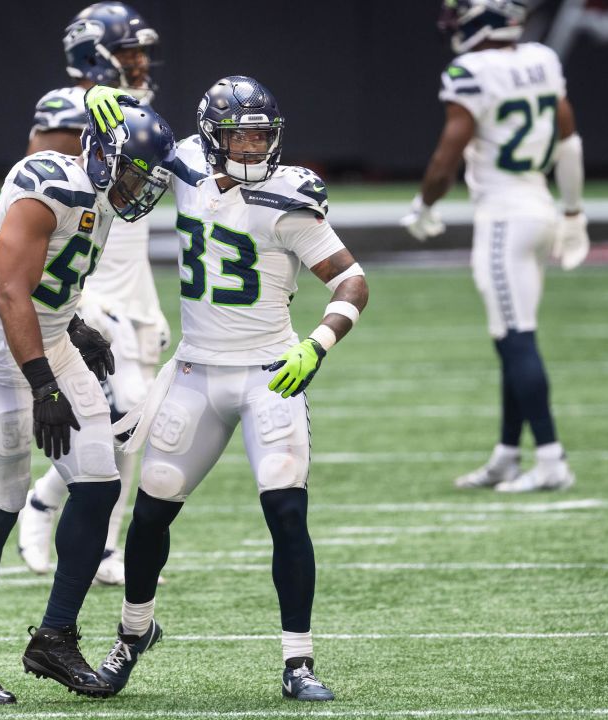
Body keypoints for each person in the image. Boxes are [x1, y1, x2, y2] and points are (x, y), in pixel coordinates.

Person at [84, 78, 368, 701]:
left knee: (286, 508)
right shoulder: (183, 162)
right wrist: (101, 98)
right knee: (152, 504)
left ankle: (298, 661)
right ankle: (134, 633)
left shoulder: (289, 196)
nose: (252, 145)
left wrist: (317, 343)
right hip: (197, 370)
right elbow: (125, 142)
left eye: (261, 133)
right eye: (240, 134)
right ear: (212, 137)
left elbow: (351, 281)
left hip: (271, 371)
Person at [0, 96, 177, 704]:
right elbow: (9, 293)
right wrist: (43, 383)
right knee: (1, 502)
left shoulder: (103, 197)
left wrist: (75, 330)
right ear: (99, 152)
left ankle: (55, 637)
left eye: (147, 179)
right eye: (130, 172)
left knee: (100, 481)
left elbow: (52, 286)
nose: (137, 188)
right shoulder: (48, 185)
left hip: (49, 340)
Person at [400, 0, 588, 492]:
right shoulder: (543, 59)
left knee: (516, 338)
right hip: (540, 203)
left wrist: (424, 205)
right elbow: (569, 142)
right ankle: (508, 454)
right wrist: (573, 211)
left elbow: (449, 153)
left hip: (505, 215)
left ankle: (551, 460)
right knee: (514, 335)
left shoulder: (472, 70)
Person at [16, 1, 166, 586]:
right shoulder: (65, 107)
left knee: (136, 426)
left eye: (140, 51)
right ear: (94, 54)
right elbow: (31, 191)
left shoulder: (140, 107)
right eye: (128, 51)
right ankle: (48, 506)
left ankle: (96, 536)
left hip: (136, 289)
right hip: (91, 285)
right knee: (126, 408)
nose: (139, 60)